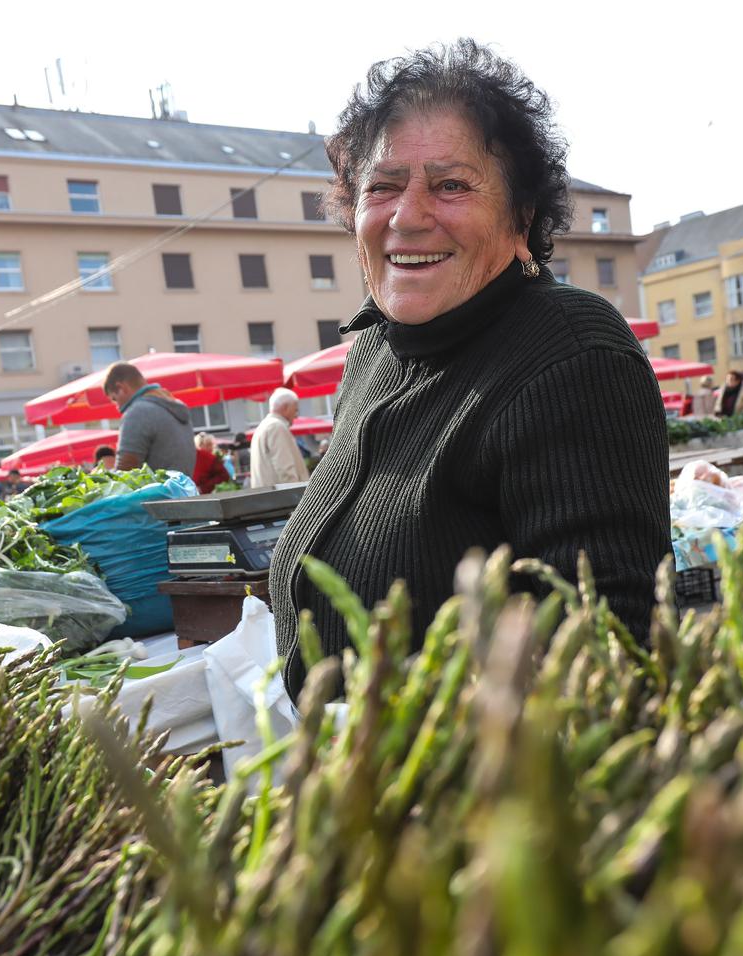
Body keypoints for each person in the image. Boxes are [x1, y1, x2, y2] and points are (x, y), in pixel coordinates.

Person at [267, 40, 670, 701]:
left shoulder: (569, 350)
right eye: (383, 186)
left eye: (450, 186)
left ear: (522, 219)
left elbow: (606, 655)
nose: (407, 215)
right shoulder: (372, 353)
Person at [102, 362, 197, 474]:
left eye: (115, 399)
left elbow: (126, 470)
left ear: (121, 387)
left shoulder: (137, 412)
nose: (117, 407)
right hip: (183, 488)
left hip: (157, 490)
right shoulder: (174, 406)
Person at [250, 387, 312, 488]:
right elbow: (285, 469)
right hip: (282, 498)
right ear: (285, 407)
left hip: (268, 496)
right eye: (295, 410)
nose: (296, 416)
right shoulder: (276, 426)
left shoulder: (263, 426)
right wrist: (297, 495)